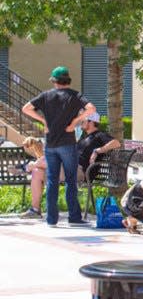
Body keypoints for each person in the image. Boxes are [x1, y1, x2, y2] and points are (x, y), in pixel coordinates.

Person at [22, 66, 96, 227]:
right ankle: (74, 217)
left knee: (52, 180)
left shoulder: (46, 96)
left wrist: (43, 121)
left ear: (54, 81)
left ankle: (51, 219)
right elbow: (91, 108)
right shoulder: (75, 95)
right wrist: (75, 121)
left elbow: (26, 108)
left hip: (50, 144)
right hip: (68, 144)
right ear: (67, 80)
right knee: (70, 180)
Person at [77, 112, 121, 176]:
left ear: (91, 122)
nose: (81, 122)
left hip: (83, 171)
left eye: (83, 121)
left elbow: (116, 143)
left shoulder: (100, 135)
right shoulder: (84, 137)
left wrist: (97, 151)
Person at [18, 137, 46, 219]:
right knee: (36, 171)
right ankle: (35, 209)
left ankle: (27, 167)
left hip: (75, 170)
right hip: (56, 169)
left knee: (36, 166)